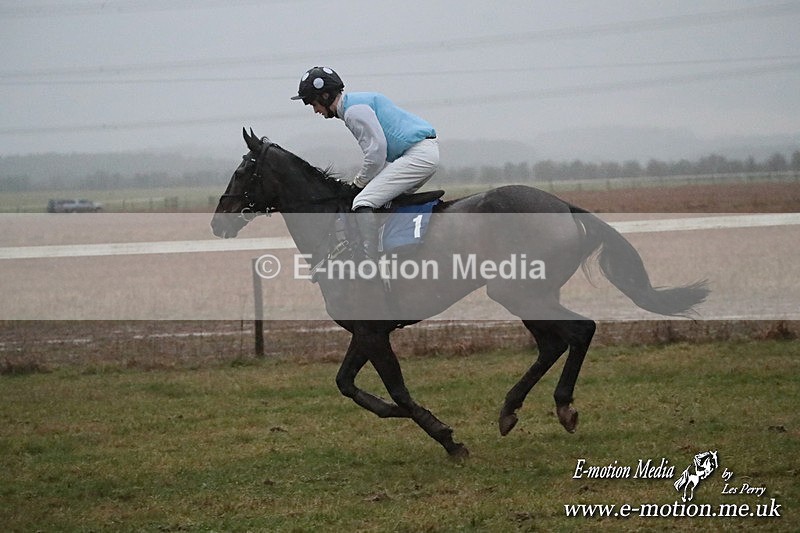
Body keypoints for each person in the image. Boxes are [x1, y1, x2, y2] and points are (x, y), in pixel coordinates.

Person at [291, 66, 439, 264]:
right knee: (384, 201)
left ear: (325, 96)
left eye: (313, 103)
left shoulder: (353, 112)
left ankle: (369, 263)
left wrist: (358, 183)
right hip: (418, 153)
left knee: (362, 202)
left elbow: (376, 153)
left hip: (417, 155)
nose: (315, 110)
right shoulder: (356, 104)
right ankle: (400, 251)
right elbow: (380, 155)